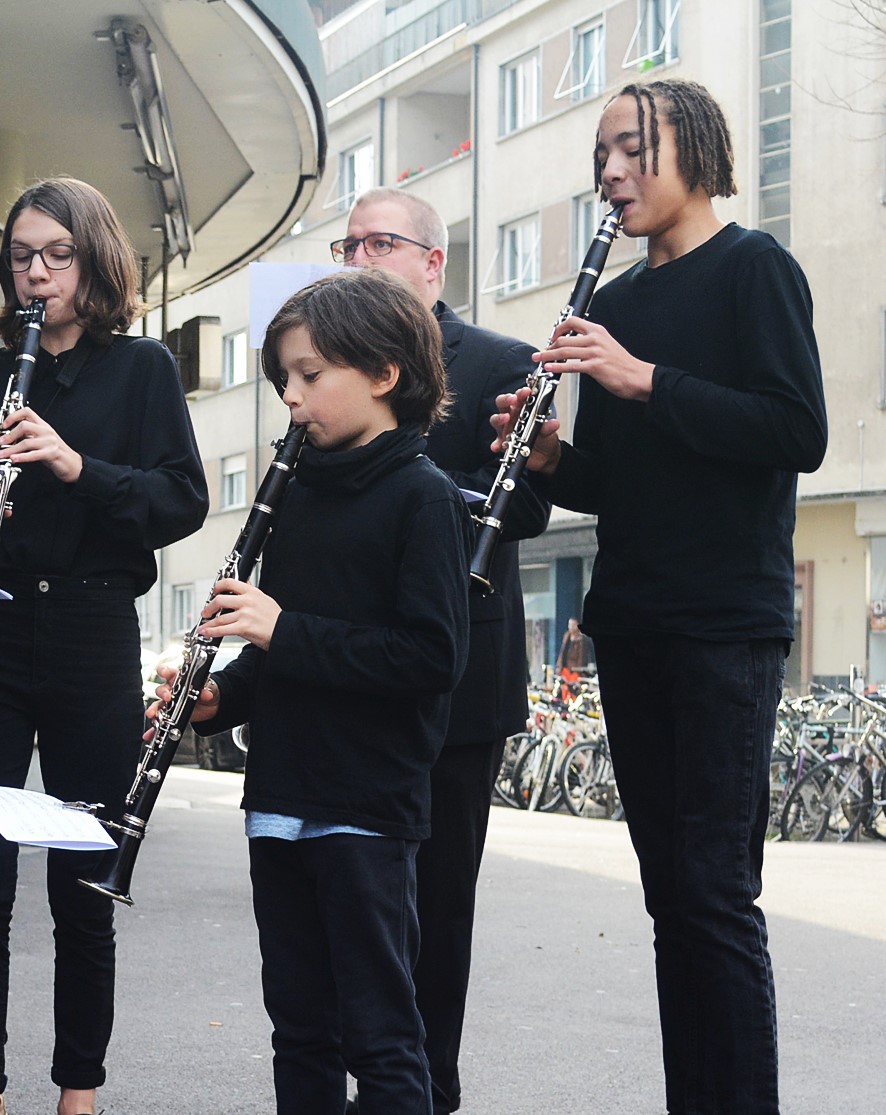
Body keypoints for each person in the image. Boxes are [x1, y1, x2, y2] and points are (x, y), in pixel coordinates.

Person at [491, 79, 826, 1113]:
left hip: (725, 625)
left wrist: (639, 381)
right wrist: (549, 455)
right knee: (670, 900)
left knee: (716, 897)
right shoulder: (617, 300)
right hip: (630, 620)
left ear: (696, 148)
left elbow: (792, 431)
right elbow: (620, 480)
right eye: (599, 155)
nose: (609, 172)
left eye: (630, 148)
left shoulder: (753, 269)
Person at [0, 177, 208, 1115]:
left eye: (57, 254)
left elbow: (182, 500)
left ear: (94, 261)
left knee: (80, 882)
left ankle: (78, 1089)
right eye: (21, 256)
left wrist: (75, 465)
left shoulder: (141, 372)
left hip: (92, 635)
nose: (36, 272)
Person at [178, 268, 468, 1114]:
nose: (293, 399)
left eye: (311, 375)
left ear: (384, 373)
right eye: (283, 382)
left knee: (380, 1032)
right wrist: (219, 700)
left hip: (367, 801)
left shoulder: (424, 497)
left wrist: (280, 628)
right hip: (281, 793)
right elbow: (275, 654)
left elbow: (429, 656)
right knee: (298, 1026)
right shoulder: (295, 496)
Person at [336, 187, 550, 1115]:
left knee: (439, 901)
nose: (356, 257)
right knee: (360, 898)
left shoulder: (502, 362)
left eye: (378, 241)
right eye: (346, 244)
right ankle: (377, 1080)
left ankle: (431, 1089)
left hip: (461, 671)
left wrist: (412, 492)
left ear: (433, 262)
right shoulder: (331, 366)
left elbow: (530, 510)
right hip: (350, 662)